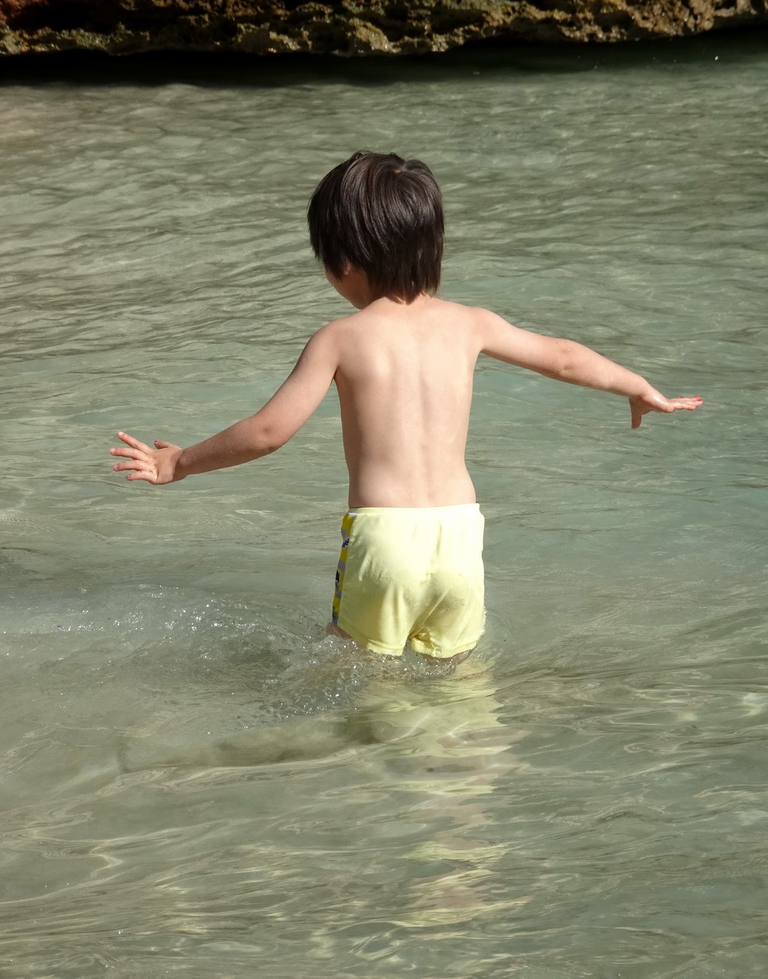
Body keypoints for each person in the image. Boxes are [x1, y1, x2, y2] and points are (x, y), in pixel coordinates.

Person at [110, 151, 702, 664]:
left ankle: (366, 781)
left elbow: (268, 431)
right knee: (458, 678)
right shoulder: (471, 324)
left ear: (342, 261)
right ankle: (468, 778)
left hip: (383, 539)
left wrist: (179, 462)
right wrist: (635, 385)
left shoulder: (340, 337)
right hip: (459, 537)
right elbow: (565, 357)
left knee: (353, 666)